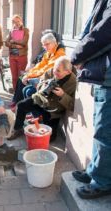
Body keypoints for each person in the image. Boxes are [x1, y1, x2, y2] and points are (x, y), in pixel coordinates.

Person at [71, 0, 111, 199]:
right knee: (100, 129)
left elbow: (104, 31)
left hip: (109, 76)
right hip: (104, 76)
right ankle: (95, 170)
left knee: (105, 132)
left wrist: (77, 56)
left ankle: (102, 181)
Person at [8, 56, 76, 141]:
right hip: (40, 100)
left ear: (68, 72)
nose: (54, 72)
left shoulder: (74, 82)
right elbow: (40, 84)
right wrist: (45, 86)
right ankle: (18, 129)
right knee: (21, 105)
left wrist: (63, 95)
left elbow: (72, 105)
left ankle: (41, 123)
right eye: (54, 68)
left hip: (53, 111)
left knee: (50, 138)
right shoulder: (51, 71)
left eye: (58, 71)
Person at [11, 33, 65, 111]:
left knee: (28, 90)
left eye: (47, 44)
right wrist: (29, 74)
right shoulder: (48, 53)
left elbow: (46, 69)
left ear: (54, 42)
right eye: (43, 45)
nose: (45, 47)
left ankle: (21, 107)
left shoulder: (59, 54)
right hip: (43, 77)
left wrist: (29, 76)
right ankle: (17, 103)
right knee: (22, 80)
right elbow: (39, 66)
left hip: (51, 82)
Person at [5, 15, 29, 92]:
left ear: (21, 21)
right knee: (14, 77)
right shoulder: (11, 31)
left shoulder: (25, 30)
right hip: (12, 56)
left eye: (18, 21)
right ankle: (15, 94)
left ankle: (21, 93)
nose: (17, 23)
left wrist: (14, 41)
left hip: (21, 56)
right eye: (14, 22)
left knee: (21, 76)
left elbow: (24, 42)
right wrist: (15, 45)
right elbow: (6, 43)